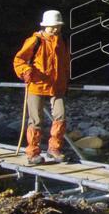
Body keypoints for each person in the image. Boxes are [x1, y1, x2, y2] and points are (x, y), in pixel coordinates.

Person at [14, 10, 70, 165]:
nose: (55, 29)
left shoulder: (62, 41)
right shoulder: (35, 40)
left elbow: (65, 63)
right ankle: (33, 152)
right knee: (36, 120)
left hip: (57, 85)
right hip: (37, 85)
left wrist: (66, 81)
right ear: (45, 26)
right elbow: (19, 60)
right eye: (52, 27)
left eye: (57, 26)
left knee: (61, 116)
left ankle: (54, 149)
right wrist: (26, 71)